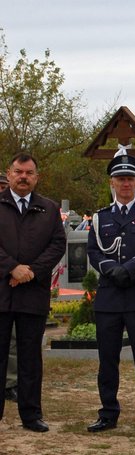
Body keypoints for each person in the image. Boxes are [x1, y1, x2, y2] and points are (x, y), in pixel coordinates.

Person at [86, 152, 135, 436]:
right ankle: (108, 413)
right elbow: (94, 251)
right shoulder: (100, 218)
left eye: (130, 179)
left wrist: (130, 269)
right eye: (120, 179)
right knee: (108, 361)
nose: (125, 184)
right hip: (109, 297)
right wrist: (110, 269)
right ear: (112, 182)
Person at [0, 153, 66, 432]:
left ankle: (31, 415)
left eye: (29, 173)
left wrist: (31, 272)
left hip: (33, 295)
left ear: (36, 177)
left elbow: (57, 244)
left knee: (30, 358)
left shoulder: (48, 209)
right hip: (1, 293)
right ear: (9, 173)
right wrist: (12, 268)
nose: (23, 177)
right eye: (18, 172)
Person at [0, 172, 19, 404]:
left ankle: (10, 383)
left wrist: (14, 270)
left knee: (12, 341)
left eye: (3, 186)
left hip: (13, 284)